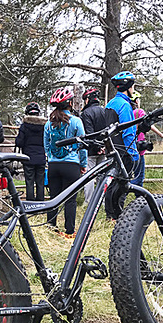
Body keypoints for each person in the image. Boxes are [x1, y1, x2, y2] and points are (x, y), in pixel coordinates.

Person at [44, 87, 87, 238]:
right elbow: (82, 145)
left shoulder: (48, 124)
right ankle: (69, 231)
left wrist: (52, 158)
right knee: (70, 200)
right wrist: (83, 163)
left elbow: (47, 146)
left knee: (53, 198)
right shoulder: (76, 121)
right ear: (70, 103)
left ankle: (51, 227)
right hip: (71, 165)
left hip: (54, 166)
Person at [131, 91, 163, 187]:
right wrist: (161, 134)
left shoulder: (126, 112)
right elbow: (149, 124)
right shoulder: (139, 112)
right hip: (138, 147)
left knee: (130, 174)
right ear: (136, 101)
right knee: (139, 177)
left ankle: (137, 198)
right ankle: (124, 193)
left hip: (129, 147)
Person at [105, 71, 140, 173]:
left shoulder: (110, 103)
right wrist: (134, 155)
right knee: (122, 187)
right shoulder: (124, 105)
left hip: (111, 151)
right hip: (124, 154)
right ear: (128, 87)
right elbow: (128, 132)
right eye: (133, 87)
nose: (133, 90)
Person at [79, 88, 107, 203]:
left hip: (91, 149)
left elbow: (89, 133)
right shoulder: (104, 110)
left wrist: (96, 147)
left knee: (89, 176)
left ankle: (89, 201)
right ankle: (102, 200)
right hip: (105, 148)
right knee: (103, 175)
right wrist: (104, 146)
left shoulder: (86, 113)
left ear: (87, 100)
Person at [15, 101, 47, 201]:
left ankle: (30, 202)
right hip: (41, 157)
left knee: (29, 181)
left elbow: (19, 142)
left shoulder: (24, 126)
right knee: (40, 182)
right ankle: (41, 202)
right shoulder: (44, 126)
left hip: (28, 158)